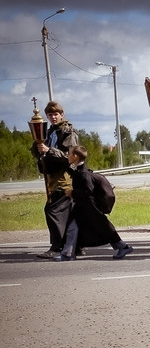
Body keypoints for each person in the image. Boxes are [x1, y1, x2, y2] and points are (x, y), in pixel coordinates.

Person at [54, 145, 133, 261]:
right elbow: (72, 171)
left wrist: (72, 193)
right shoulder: (79, 171)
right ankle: (68, 253)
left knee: (103, 228)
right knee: (74, 228)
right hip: (83, 207)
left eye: (69, 154)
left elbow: (88, 190)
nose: (67, 155)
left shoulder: (84, 174)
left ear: (75, 156)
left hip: (89, 207)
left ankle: (123, 246)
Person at [31, 101, 79, 259]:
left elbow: (70, 157)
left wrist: (48, 150)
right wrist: (37, 145)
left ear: (62, 114)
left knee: (53, 211)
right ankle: (75, 246)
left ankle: (57, 247)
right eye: (50, 115)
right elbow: (40, 153)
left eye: (55, 114)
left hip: (64, 180)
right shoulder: (49, 132)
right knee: (68, 215)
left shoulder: (68, 132)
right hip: (53, 178)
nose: (53, 117)